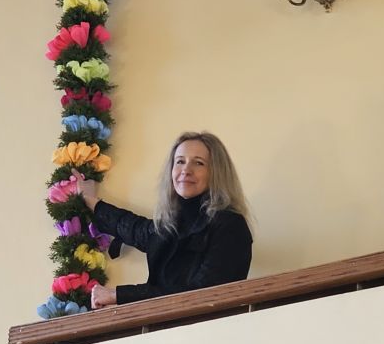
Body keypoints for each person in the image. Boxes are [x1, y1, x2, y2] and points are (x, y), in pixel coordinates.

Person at [74, 131, 252, 307]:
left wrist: (118, 295)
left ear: (217, 172)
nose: (186, 170)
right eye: (180, 161)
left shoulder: (230, 225)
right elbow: (131, 227)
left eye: (198, 163)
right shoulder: (170, 225)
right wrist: (91, 201)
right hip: (162, 324)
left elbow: (201, 294)